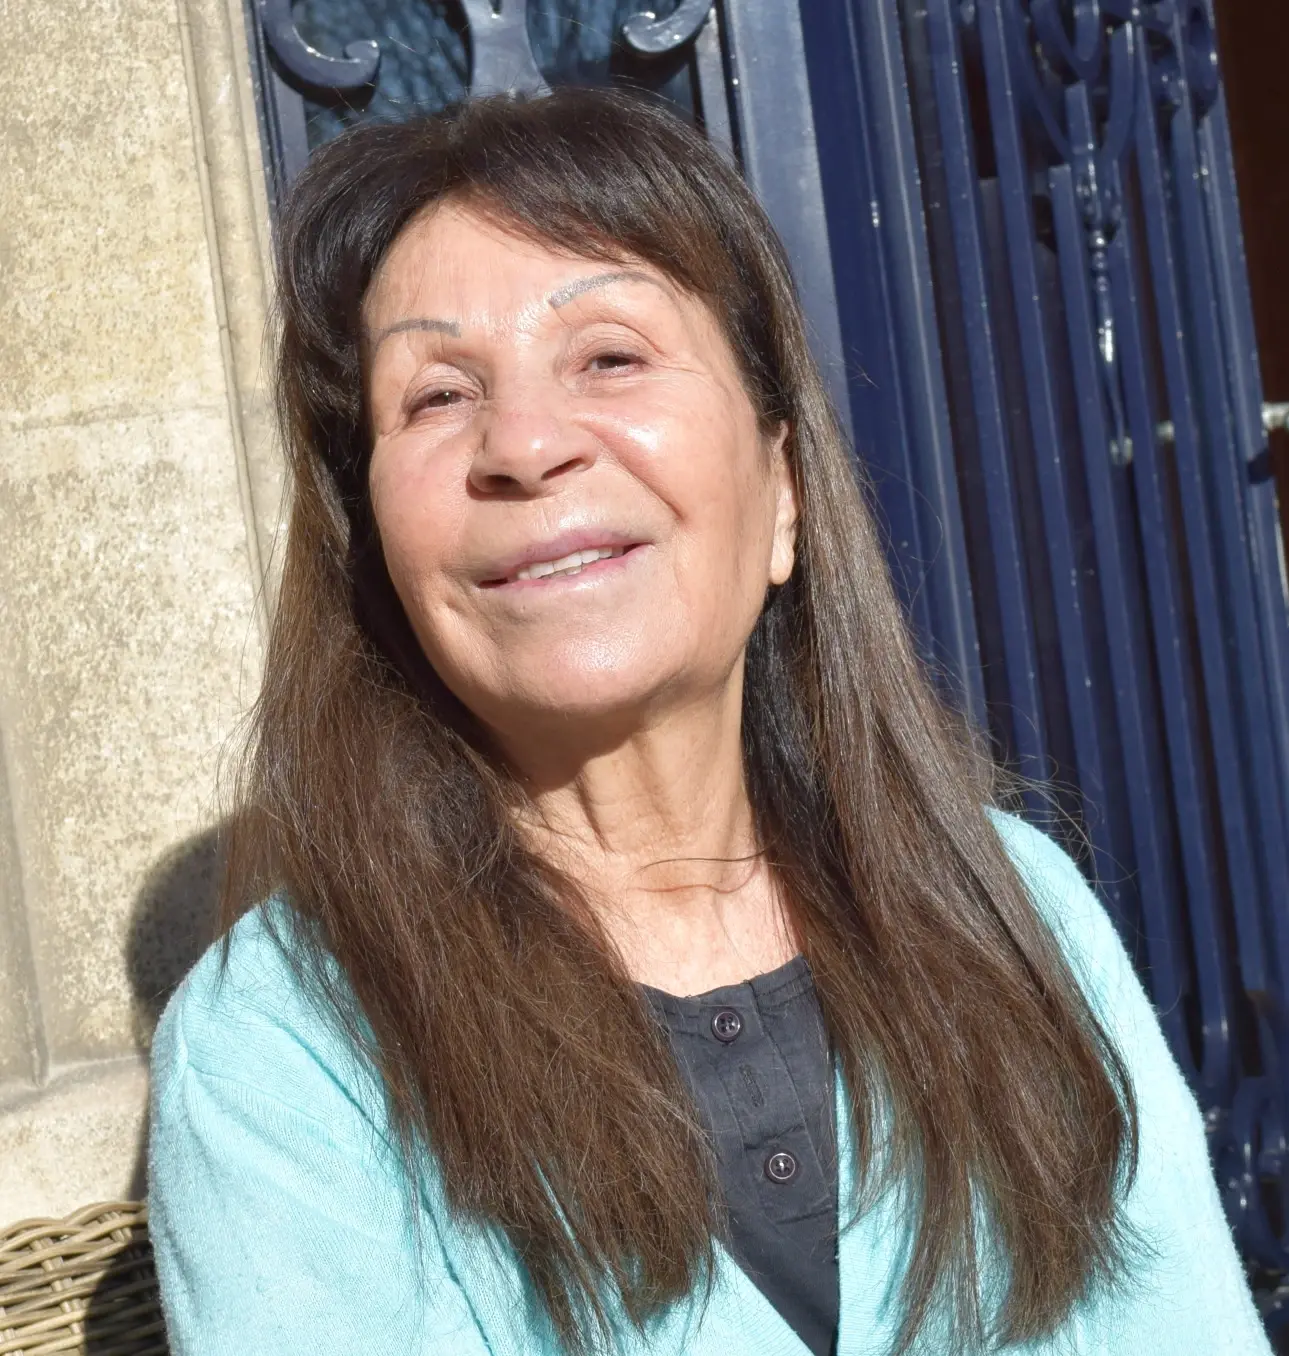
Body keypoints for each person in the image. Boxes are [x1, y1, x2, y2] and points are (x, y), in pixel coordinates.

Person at [147, 87, 1268, 1356]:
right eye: (438, 395)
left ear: (781, 490)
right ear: (379, 556)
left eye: (608, 357)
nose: (523, 444)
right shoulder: (282, 1053)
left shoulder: (1011, 909)